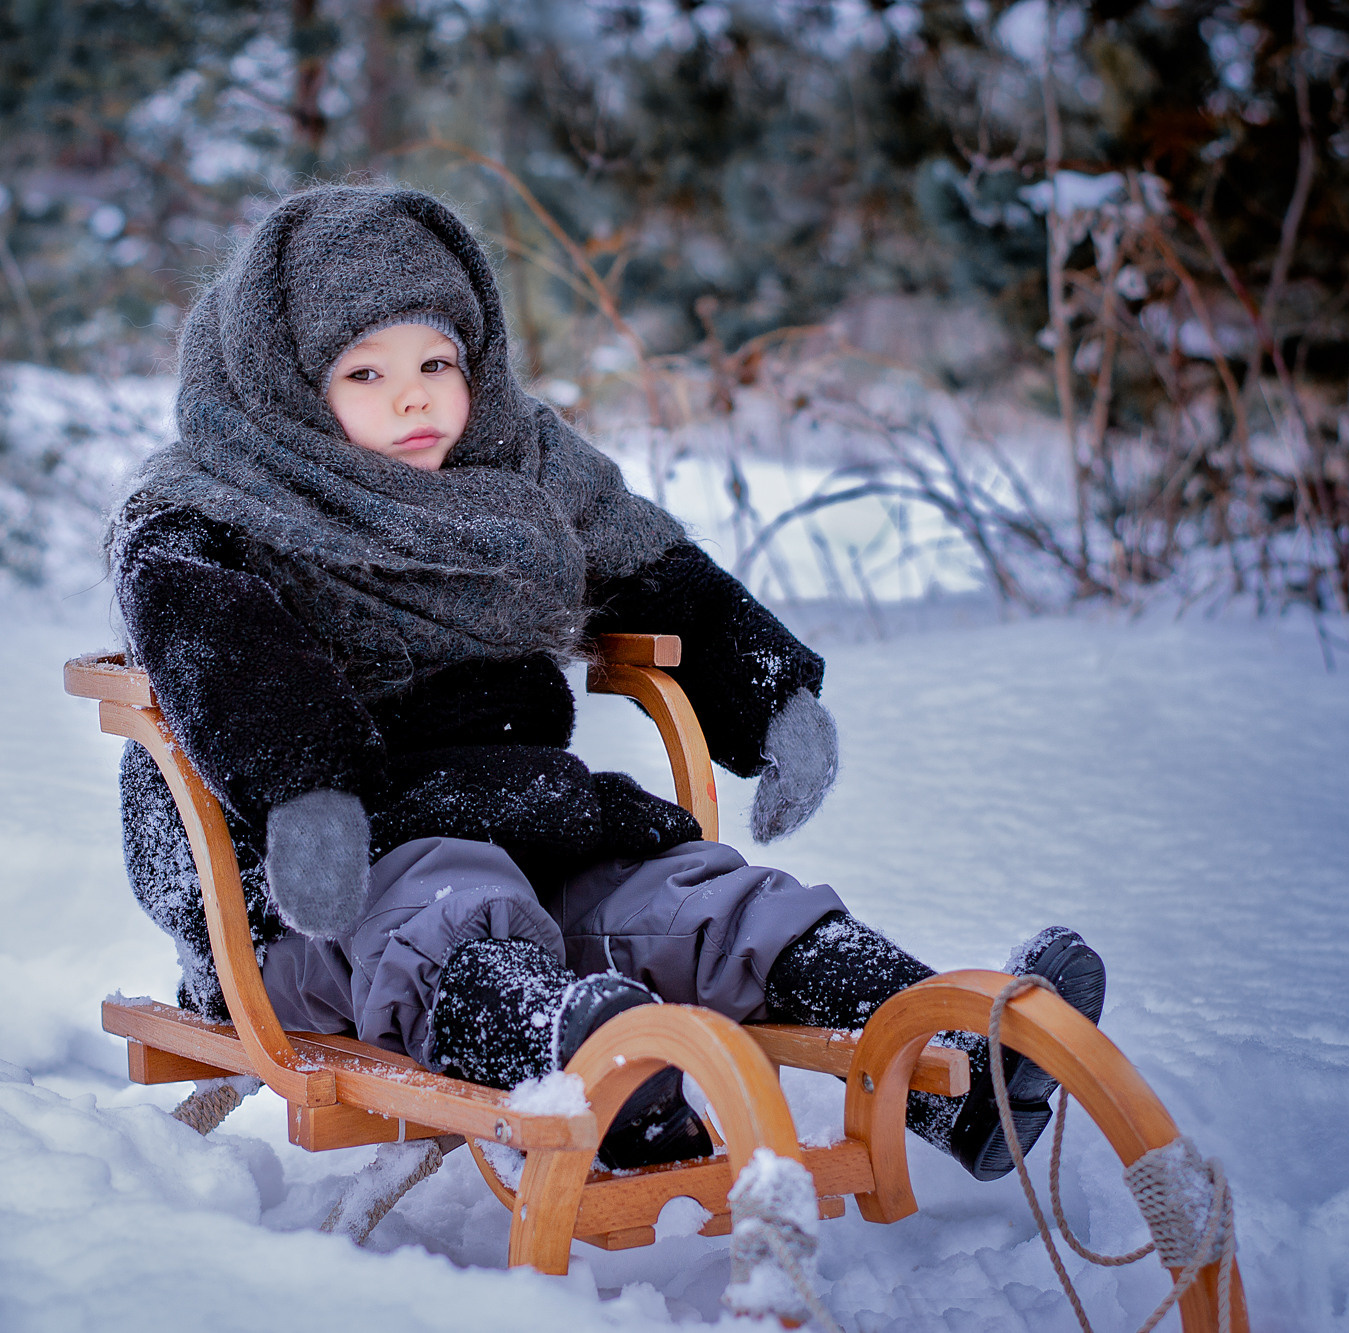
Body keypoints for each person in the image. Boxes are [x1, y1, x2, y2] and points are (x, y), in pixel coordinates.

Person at [110, 185, 1104, 1179]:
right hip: (321, 885)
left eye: (435, 361)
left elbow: (643, 565)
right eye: (364, 370)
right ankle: (585, 1070)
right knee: (447, 917)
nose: (412, 396)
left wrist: (768, 697)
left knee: (708, 905)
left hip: (528, 823)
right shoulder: (212, 506)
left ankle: (952, 1065)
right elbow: (223, 649)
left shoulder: (513, 454)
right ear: (286, 381)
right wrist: (305, 793)